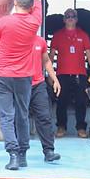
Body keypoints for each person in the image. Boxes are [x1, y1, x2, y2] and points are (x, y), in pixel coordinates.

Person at [0, 0, 43, 171]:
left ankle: (12, 154)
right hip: (24, 75)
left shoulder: (4, 22)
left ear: (15, 3)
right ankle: (23, 155)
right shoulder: (35, 21)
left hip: (3, 74)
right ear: (31, 7)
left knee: (6, 115)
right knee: (22, 114)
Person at [49, 9, 90, 138]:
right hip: (62, 74)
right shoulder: (57, 35)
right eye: (67, 16)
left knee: (81, 101)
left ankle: (81, 128)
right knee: (61, 101)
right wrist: (49, 73)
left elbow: (89, 53)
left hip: (79, 74)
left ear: (76, 19)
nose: (70, 18)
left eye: (73, 16)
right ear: (64, 19)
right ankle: (61, 127)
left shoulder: (83, 35)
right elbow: (51, 55)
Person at [29, 35, 62, 163]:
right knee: (19, 118)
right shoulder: (16, 38)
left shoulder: (40, 41)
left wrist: (54, 79)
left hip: (38, 84)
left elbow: (46, 61)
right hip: (20, 83)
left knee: (44, 117)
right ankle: (19, 152)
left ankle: (49, 151)